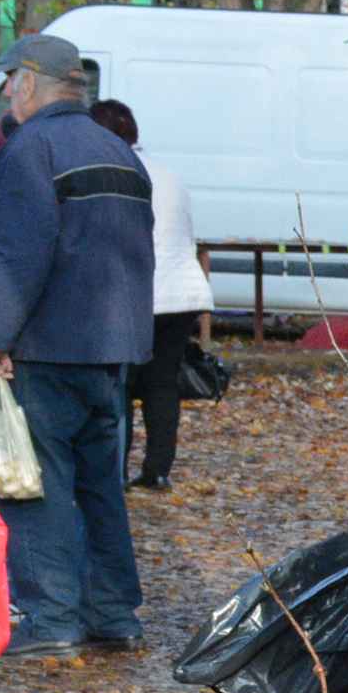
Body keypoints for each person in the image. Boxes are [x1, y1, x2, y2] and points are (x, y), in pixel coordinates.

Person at [0, 34, 153, 658]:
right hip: (111, 354)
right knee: (101, 487)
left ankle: (51, 620)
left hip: (45, 348)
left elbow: (19, 256)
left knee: (35, 487)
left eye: (11, 81)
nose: (9, 92)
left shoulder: (29, 151)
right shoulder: (120, 152)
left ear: (27, 83)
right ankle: (115, 615)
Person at [88, 100, 209, 490]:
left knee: (120, 382)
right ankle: (157, 468)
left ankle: (115, 468)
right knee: (162, 383)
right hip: (183, 292)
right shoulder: (169, 174)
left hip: (142, 293)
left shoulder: (115, 173)